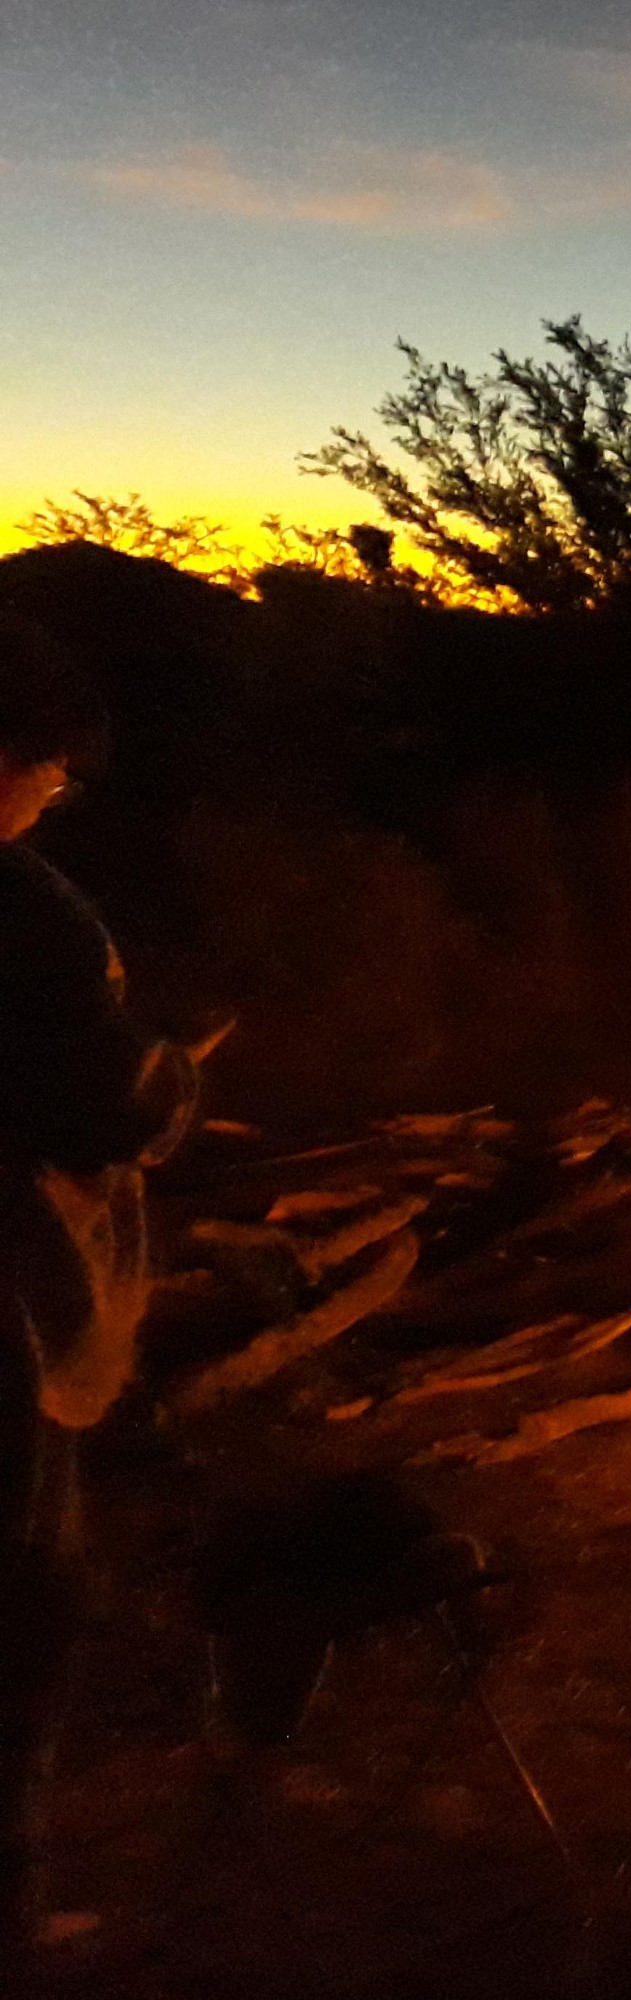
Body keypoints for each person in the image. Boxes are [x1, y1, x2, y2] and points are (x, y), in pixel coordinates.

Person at [0, 618, 205, 1964]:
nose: (57, 793)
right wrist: (170, 1089)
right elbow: (104, 1106)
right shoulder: (27, 920)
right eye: (53, 767)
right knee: (18, 1609)